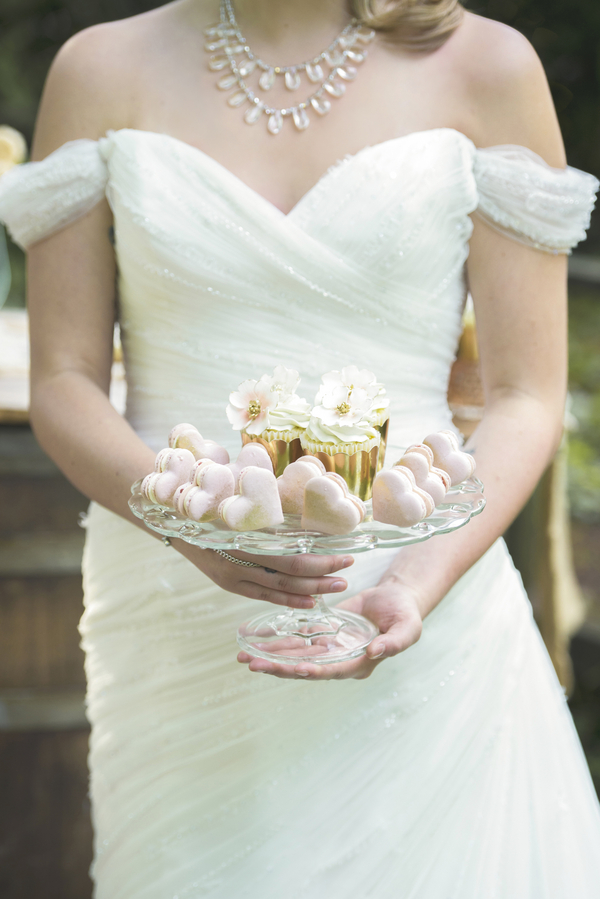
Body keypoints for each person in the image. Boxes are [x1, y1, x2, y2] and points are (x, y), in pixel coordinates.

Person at [1, 0, 600, 894]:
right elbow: (63, 381)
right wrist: (182, 517)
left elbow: (526, 395)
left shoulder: (488, 68)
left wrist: (417, 581)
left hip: (423, 605)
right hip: (175, 603)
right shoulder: (99, 70)